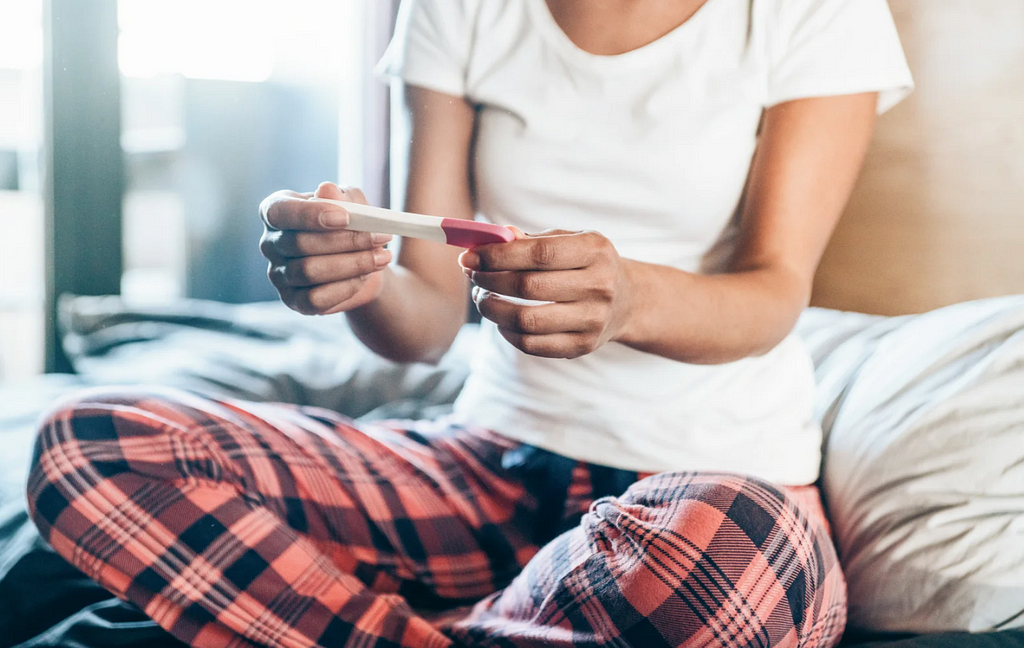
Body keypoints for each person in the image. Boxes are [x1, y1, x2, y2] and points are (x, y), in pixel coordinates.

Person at [27, 0, 913, 646]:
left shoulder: (816, 14)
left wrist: (632, 299)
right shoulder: (460, 10)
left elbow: (774, 291)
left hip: (711, 488)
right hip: (490, 466)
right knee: (87, 443)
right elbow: (424, 322)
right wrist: (358, 282)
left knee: (735, 568)